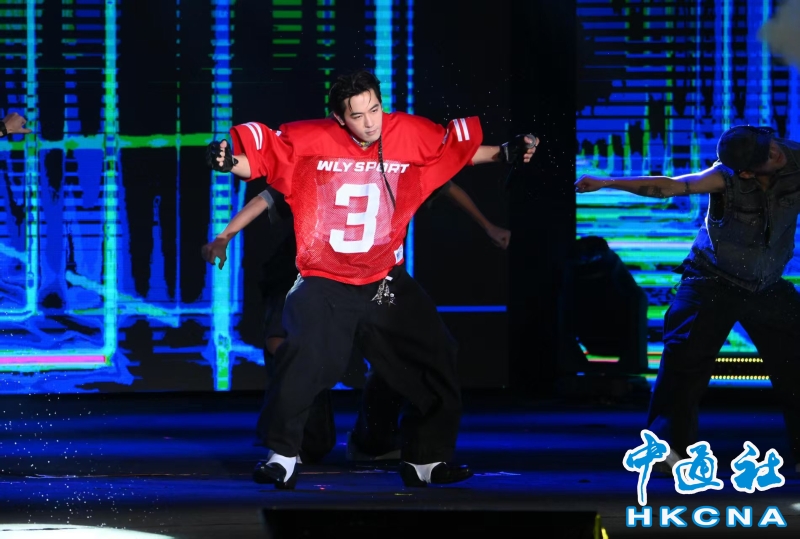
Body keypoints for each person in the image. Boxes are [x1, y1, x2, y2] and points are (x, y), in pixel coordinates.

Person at [206, 69, 536, 489]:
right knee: (305, 355)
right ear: (339, 117)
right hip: (325, 278)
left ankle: (425, 459)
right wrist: (229, 163)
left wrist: (506, 152)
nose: (369, 123)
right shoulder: (312, 139)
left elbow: (452, 154)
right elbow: (262, 163)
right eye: (358, 115)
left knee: (435, 352)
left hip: (383, 281)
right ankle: (283, 455)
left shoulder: (407, 134)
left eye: (375, 110)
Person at [201, 179, 513, 463]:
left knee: (406, 351)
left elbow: (445, 182)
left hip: (370, 275)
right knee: (292, 357)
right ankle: (292, 440)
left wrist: (488, 225)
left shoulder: (393, 161)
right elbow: (267, 196)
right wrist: (223, 236)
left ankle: (374, 439)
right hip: (308, 269)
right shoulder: (323, 163)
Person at [575, 125, 800, 471]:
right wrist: (608, 183)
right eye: (764, 155)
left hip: (766, 284)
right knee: (683, 363)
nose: (775, 152)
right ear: (746, 171)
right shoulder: (724, 177)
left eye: (769, 144)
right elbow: (670, 185)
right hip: (711, 279)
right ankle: (669, 450)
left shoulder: (793, 157)